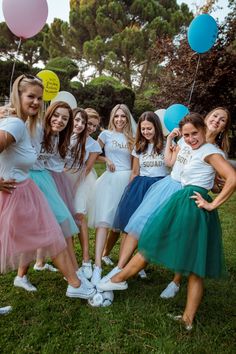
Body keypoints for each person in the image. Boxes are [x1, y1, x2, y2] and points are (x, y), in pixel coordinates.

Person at [98, 113, 236, 330]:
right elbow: (181, 166)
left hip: (191, 203)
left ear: (202, 129)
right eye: (187, 134)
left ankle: (117, 279)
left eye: (194, 134)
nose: (190, 138)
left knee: (155, 241)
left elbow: (232, 178)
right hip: (183, 198)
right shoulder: (194, 147)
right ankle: (187, 319)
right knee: (189, 260)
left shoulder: (210, 151)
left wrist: (212, 204)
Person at [0, 74, 95, 299]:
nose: (35, 102)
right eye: (30, 96)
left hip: (24, 187)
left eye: (39, 98)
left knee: (50, 233)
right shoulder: (19, 124)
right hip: (17, 189)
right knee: (49, 233)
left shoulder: (23, 123)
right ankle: (74, 281)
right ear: (18, 95)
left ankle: (74, 280)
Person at [29, 101, 81, 278]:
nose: (59, 120)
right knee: (26, 229)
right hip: (27, 179)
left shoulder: (57, 136)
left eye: (65, 118)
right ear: (49, 114)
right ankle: (72, 274)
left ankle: (73, 273)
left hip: (43, 178)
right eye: (56, 115)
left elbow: (49, 162)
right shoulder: (35, 129)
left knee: (60, 221)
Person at [90, 104, 135, 285]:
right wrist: (106, 158)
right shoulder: (105, 135)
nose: (119, 120)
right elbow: (92, 154)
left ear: (127, 118)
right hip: (110, 181)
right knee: (104, 221)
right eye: (116, 116)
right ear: (112, 117)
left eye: (123, 116)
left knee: (124, 225)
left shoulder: (132, 137)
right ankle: (98, 265)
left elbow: (135, 161)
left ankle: (122, 264)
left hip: (127, 180)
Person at [65, 108, 102, 279]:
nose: (82, 126)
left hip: (81, 181)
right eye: (78, 121)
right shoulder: (63, 136)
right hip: (62, 179)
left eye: (85, 123)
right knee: (66, 219)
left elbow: (87, 169)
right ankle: (70, 262)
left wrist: (74, 184)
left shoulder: (93, 145)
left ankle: (86, 259)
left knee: (79, 217)